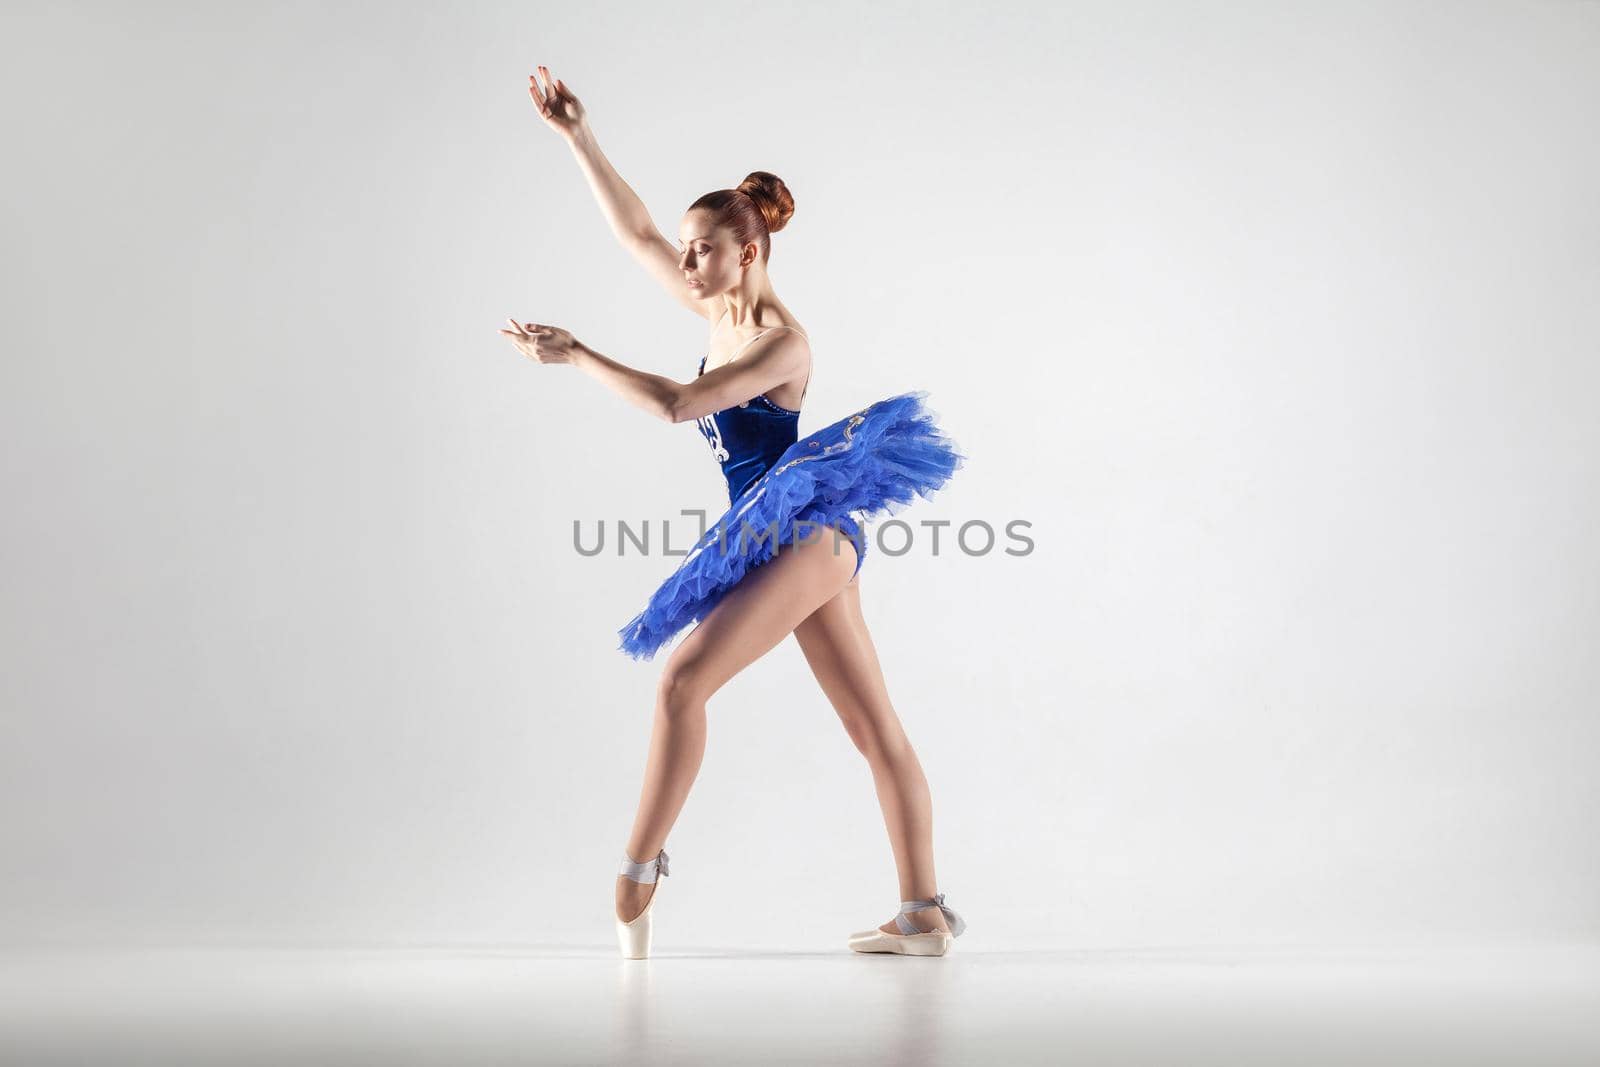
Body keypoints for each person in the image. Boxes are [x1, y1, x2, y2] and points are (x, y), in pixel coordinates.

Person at [503, 66, 969, 960]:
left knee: (682, 683)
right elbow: (635, 232)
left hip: (806, 532)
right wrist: (577, 136)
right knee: (871, 725)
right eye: (687, 249)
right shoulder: (713, 305)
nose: (685, 263)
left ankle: (639, 866)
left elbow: (682, 403)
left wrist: (578, 355)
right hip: (774, 532)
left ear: (746, 253)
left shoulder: (778, 341)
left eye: (702, 250)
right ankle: (924, 913)